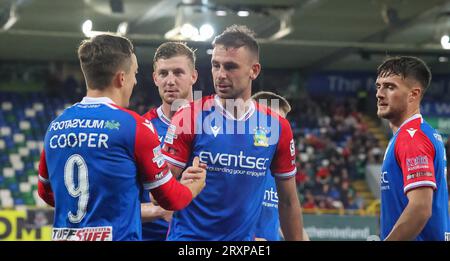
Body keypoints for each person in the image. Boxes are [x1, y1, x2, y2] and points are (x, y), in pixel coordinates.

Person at [37, 34, 206, 241]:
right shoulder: (136, 126)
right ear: (121, 78)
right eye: (134, 74)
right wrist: (194, 186)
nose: (135, 81)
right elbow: (171, 199)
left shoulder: (56, 125)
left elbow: (46, 193)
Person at [162, 25, 305, 241]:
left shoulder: (277, 126)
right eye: (215, 65)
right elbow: (158, 191)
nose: (220, 75)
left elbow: (287, 201)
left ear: (254, 70)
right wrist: (180, 188)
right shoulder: (188, 116)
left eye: (230, 67)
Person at [376, 56, 449, 241]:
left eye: (390, 87)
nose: (379, 94)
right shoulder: (415, 134)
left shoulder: (412, 137)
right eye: (379, 86)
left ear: (413, 94)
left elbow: (420, 208)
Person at [140, 42, 198, 241]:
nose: (170, 81)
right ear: (155, 78)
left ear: (193, 76)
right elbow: (119, 205)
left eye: (178, 72)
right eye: (164, 73)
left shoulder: (215, 128)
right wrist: (160, 210)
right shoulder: (139, 129)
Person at [252, 91, 310, 241]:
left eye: (283, 124)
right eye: (273, 123)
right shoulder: (230, 165)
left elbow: (283, 221)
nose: (280, 131)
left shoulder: (280, 174)